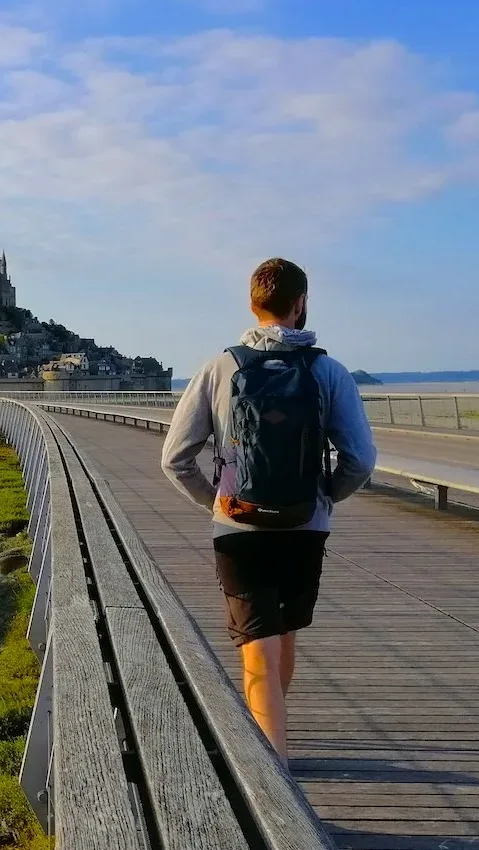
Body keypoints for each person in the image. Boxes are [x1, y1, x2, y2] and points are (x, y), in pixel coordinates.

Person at [160, 258, 376, 765]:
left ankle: (273, 775)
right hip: (305, 525)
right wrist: (325, 497)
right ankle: (272, 746)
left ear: (252, 304)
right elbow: (361, 459)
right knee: (281, 635)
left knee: (257, 647)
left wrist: (217, 503)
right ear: (301, 304)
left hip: (239, 527)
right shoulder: (328, 371)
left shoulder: (219, 368)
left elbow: (175, 458)